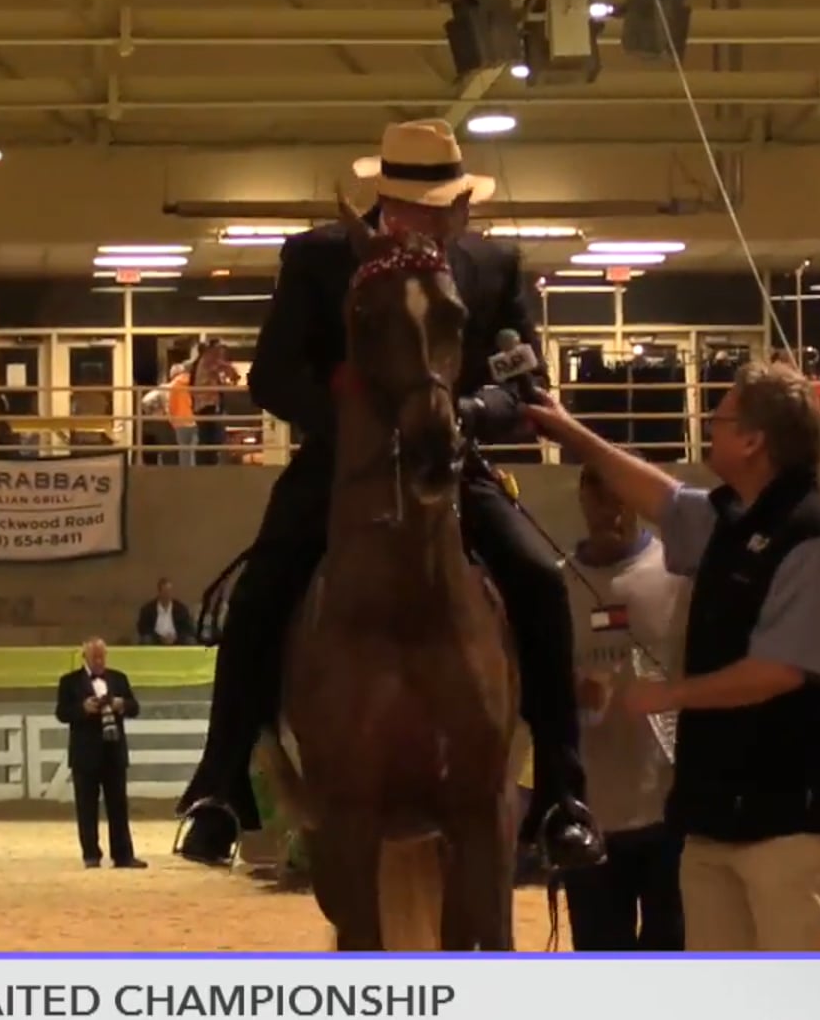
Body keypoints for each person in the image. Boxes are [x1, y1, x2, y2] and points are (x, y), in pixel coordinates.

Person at [174, 118, 604, 872]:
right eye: (431, 207)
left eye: (452, 205)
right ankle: (220, 784)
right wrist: (355, 425)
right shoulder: (315, 260)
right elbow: (274, 373)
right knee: (262, 588)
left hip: (453, 459)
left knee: (536, 576)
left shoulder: (492, 266)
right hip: (345, 464)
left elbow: (523, 384)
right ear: (390, 205)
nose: (447, 220)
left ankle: (564, 792)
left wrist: (467, 416)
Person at [523, 360, 820, 952]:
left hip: (790, 815)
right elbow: (663, 498)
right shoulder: (733, 518)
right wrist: (569, 432)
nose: (709, 424)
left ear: (754, 440)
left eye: (722, 416)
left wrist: (667, 695)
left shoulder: (814, 537)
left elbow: (781, 669)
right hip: (712, 810)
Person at [561, 462, 687, 951]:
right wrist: (571, 689)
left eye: (618, 499)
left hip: (668, 812)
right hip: (588, 818)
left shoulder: (676, 575)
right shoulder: (557, 585)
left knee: (671, 959)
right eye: (596, 497)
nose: (609, 510)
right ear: (582, 501)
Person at [56, 639, 145, 870]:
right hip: (85, 753)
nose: (98, 661)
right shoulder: (69, 682)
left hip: (114, 751)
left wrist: (121, 704)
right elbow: (62, 713)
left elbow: (135, 707)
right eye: (94, 657)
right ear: (84, 657)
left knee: (118, 805)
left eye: (101, 657)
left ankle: (123, 855)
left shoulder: (119, 678)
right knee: (86, 807)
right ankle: (91, 855)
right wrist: (82, 708)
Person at [136, 577, 195, 645]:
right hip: (155, 639)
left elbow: (187, 628)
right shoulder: (148, 609)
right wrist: (160, 638)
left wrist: (175, 637)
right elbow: (142, 628)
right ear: (159, 592)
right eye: (165, 592)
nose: (167, 595)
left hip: (177, 639)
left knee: (190, 641)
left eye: (170, 591)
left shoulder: (181, 609)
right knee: (146, 640)